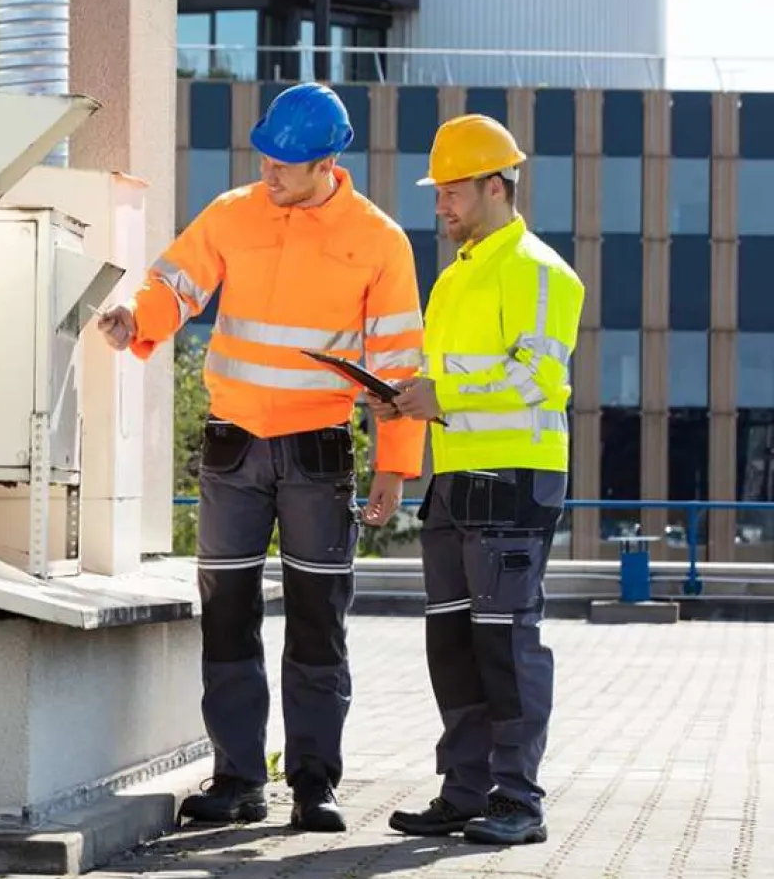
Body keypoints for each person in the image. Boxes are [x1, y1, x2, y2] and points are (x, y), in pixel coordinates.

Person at [97, 82, 426, 833]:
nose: (271, 171)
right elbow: (174, 285)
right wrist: (135, 320)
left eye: (287, 162)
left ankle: (314, 785)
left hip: (319, 454)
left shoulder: (378, 241)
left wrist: (393, 468)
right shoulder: (232, 214)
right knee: (228, 619)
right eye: (266, 156)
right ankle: (239, 779)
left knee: (318, 624)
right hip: (233, 448)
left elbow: (400, 366)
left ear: (329, 161)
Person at [372, 113, 585, 846]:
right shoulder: (457, 277)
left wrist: (444, 395)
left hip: (515, 483)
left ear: (495, 187)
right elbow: (449, 379)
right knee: (453, 645)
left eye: (453, 191)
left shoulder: (539, 271)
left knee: (505, 644)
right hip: (456, 480)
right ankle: (464, 792)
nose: (441, 205)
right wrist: (404, 395)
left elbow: (540, 380)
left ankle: (519, 801)